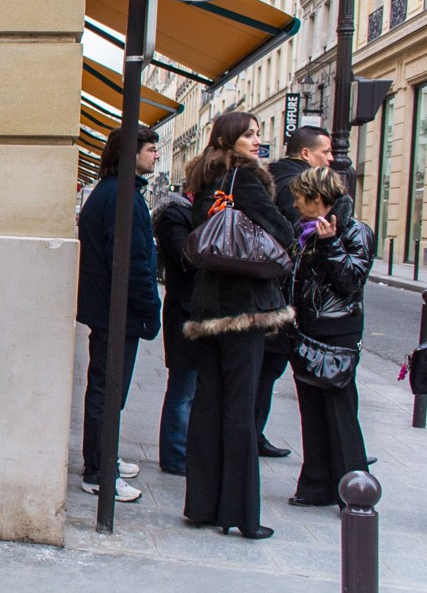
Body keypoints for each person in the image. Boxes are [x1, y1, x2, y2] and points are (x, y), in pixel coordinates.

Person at [181, 111, 294, 540]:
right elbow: (281, 232)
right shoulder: (244, 179)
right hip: (244, 306)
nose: (256, 141)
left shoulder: (204, 179)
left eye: (258, 133)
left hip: (207, 305)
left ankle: (203, 505)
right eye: (249, 134)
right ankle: (243, 515)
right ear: (229, 139)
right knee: (241, 409)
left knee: (208, 405)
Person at [76, 125, 161, 502]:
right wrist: (149, 308)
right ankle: (98, 471)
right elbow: (131, 261)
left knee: (108, 390)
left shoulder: (113, 192)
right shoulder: (121, 195)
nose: (156, 154)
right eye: (150, 148)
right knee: (108, 392)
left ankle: (103, 459)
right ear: (131, 154)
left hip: (109, 309)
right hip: (115, 310)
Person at [287, 166, 373, 508]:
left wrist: (331, 244)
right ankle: (317, 485)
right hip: (306, 327)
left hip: (337, 331)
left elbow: (351, 283)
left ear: (318, 198)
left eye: (298, 197)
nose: (294, 204)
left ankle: (354, 488)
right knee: (311, 410)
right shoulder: (302, 229)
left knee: (340, 411)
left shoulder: (355, 231)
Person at [255, 125, 333, 459]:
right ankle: (252, 434)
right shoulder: (295, 186)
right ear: (305, 154)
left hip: (270, 291)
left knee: (266, 368)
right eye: (325, 152)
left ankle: (252, 432)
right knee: (268, 367)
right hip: (280, 294)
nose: (330, 158)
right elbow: (292, 239)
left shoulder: (274, 177)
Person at [153, 189, 196, 476]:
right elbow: (187, 258)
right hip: (183, 310)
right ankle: (175, 454)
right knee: (182, 386)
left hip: (190, 310)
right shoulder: (175, 215)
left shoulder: (189, 216)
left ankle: (182, 451)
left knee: (188, 387)